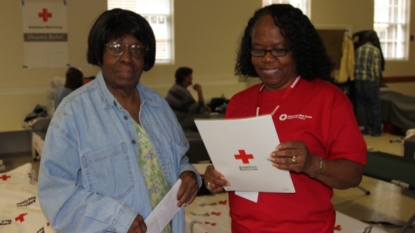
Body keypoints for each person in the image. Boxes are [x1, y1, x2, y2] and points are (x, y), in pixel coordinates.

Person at [203, 4, 366, 232]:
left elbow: (353, 175)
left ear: (298, 49)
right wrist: (216, 175)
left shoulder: (329, 99)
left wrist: (311, 164)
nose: (267, 59)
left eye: (279, 50)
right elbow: (234, 164)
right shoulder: (239, 102)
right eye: (258, 50)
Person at [38, 9, 201, 233]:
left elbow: (179, 158)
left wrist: (188, 174)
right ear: (99, 53)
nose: (127, 57)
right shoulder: (72, 114)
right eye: (115, 48)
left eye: (136, 49)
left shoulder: (158, 106)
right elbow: (56, 196)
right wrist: (117, 217)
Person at [354, 31, 383, 136]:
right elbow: (376, 69)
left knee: (361, 105)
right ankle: (376, 130)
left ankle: (363, 128)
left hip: (358, 80)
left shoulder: (358, 50)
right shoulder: (375, 51)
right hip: (370, 81)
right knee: (375, 105)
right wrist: (377, 81)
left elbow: (355, 65)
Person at [165, 67, 211, 132]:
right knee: (206, 116)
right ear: (185, 77)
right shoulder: (183, 92)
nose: (192, 78)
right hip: (178, 122)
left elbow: (192, 107)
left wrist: (203, 106)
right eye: (190, 76)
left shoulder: (175, 87)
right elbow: (200, 110)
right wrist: (199, 91)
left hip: (171, 121)